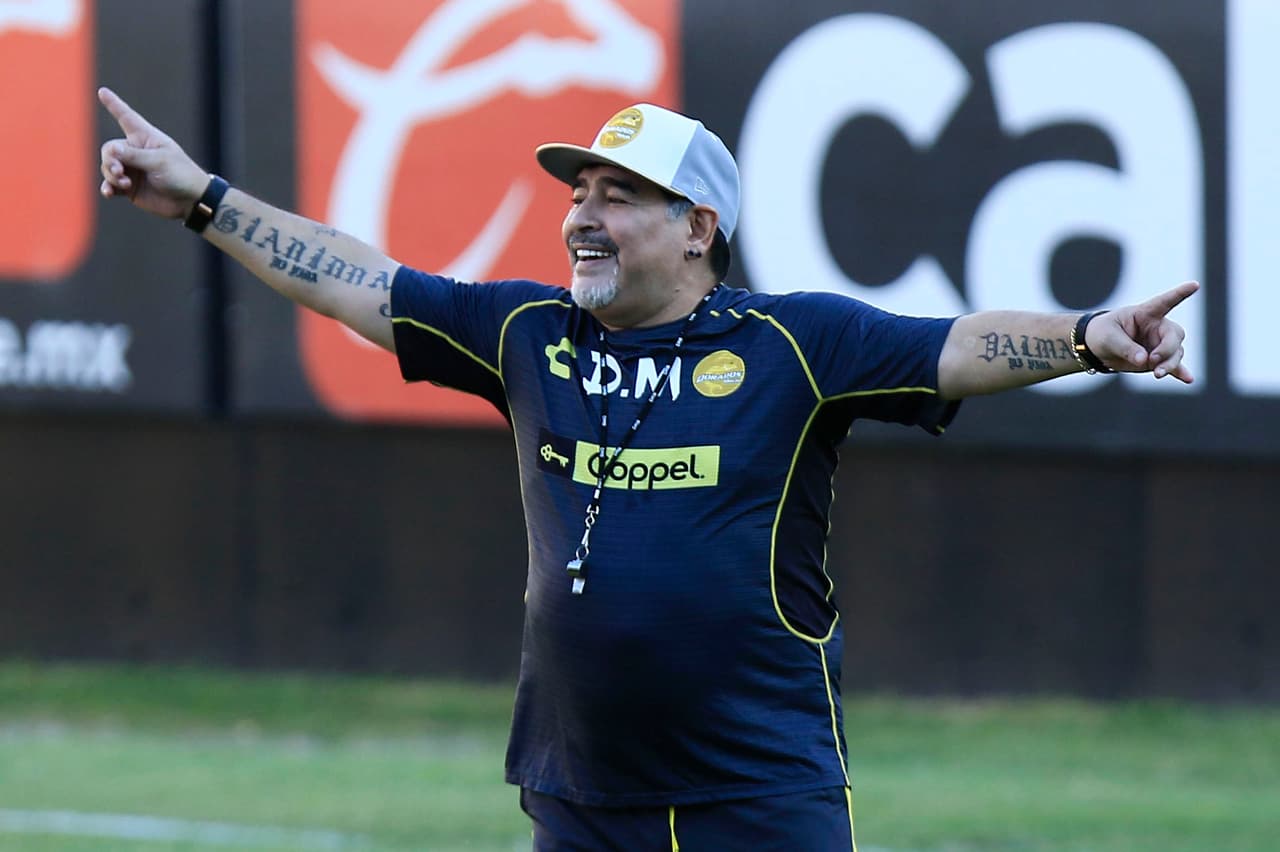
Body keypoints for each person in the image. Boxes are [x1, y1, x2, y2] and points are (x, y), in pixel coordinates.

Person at [98, 87, 1196, 851]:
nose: (582, 215)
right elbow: (358, 282)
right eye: (578, 194)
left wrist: (1089, 334)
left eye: (616, 197)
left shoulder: (791, 345)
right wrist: (202, 197)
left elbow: (950, 344)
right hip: (579, 794)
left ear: (695, 228)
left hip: (758, 792)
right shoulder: (526, 330)